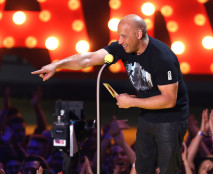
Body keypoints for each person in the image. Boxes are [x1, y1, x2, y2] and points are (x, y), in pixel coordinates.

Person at [31, 14, 189, 173]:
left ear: (139, 34)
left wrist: (132, 102)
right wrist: (57, 65)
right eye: (119, 36)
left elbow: (169, 100)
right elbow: (89, 58)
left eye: (124, 36)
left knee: (168, 168)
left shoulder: (162, 57)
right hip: (148, 115)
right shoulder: (124, 47)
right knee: (142, 168)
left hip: (171, 119)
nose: (120, 41)